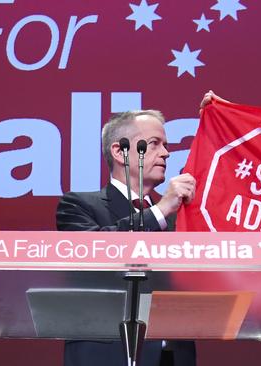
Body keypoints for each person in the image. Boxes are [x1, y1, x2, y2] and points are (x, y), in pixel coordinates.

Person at [56, 110, 197, 366]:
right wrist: (161, 209)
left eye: (166, 145)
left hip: (172, 357)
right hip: (106, 355)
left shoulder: (178, 222)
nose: (166, 153)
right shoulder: (78, 205)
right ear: (119, 152)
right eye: (155, 144)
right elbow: (96, 250)